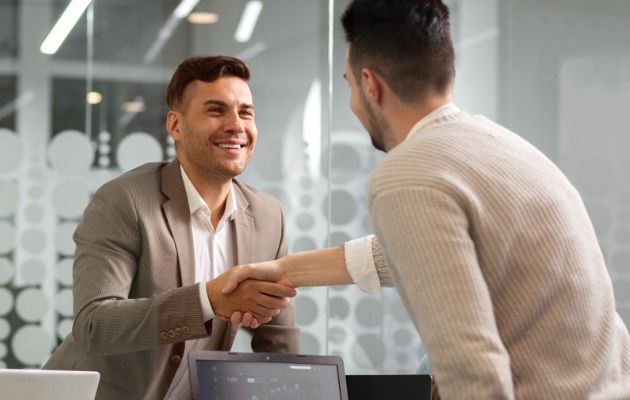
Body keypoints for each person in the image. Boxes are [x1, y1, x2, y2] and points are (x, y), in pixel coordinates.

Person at [223, 0, 630, 398]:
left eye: (348, 86)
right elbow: (405, 251)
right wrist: (281, 271)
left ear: (370, 85)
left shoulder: (409, 172)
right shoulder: (501, 147)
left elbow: (472, 372)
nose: (351, 104)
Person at [44, 55, 299, 400]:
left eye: (245, 112)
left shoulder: (269, 216)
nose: (236, 125)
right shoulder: (125, 201)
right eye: (215, 110)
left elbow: (278, 342)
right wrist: (208, 300)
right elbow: (95, 324)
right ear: (175, 126)